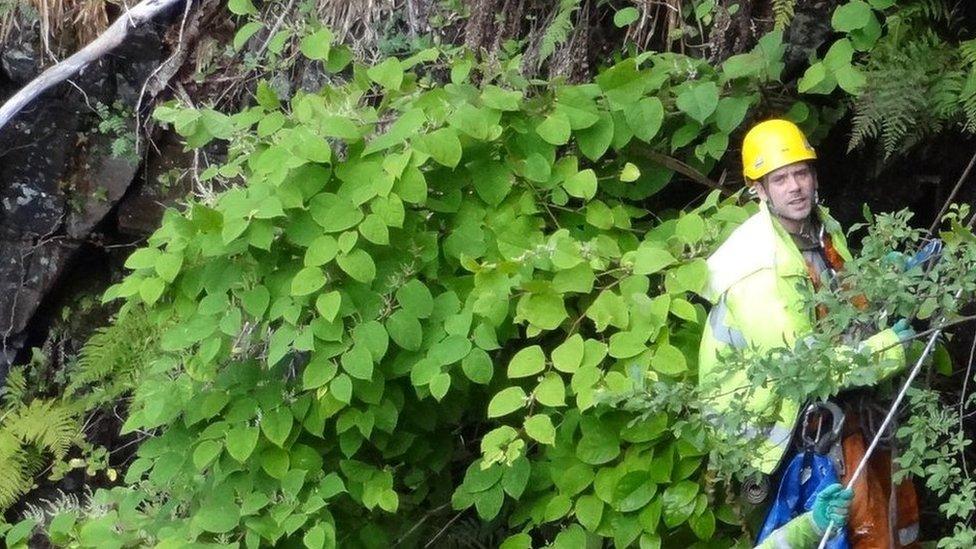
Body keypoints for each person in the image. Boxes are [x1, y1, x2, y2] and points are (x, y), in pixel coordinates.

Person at [697, 119, 920, 547]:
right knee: (853, 520)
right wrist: (892, 347)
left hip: (823, 398)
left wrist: (883, 279)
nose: (795, 187)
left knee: (892, 497)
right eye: (780, 179)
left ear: (814, 176)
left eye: (801, 173)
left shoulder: (819, 228)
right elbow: (808, 368)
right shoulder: (760, 269)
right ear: (759, 190)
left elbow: (843, 303)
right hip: (770, 427)